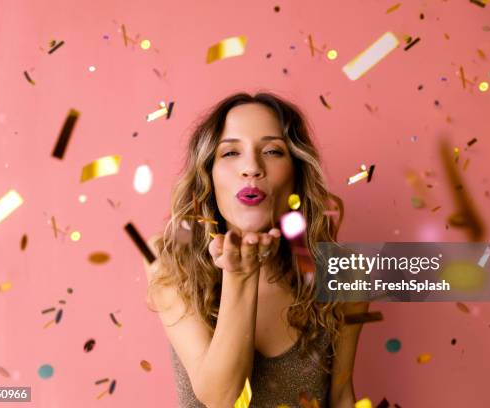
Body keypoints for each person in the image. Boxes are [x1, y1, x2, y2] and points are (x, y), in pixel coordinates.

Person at [144, 91, 369, 407]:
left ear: (297, 175)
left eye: (273, 151)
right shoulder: (168, 258)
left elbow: (342, 397)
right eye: (231, 153)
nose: (252, 167)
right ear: (207, 173)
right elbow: (222, 399)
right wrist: (240, 273)